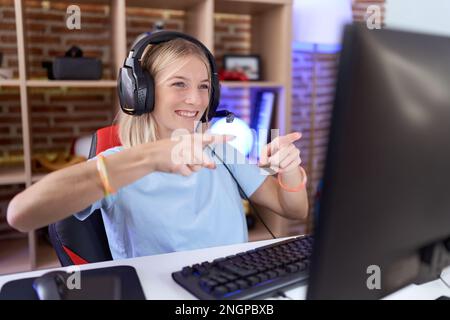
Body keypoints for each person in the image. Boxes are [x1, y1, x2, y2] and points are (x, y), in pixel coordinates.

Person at [7, 33, 308, 259]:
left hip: (230, 287)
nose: (196, 99)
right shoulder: (120, 163)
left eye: (204, 86)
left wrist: (290, 169)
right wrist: (151, 157)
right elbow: (21, 214)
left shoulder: (220, 151)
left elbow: (292, 209)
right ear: (141, 93)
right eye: (179, 84)